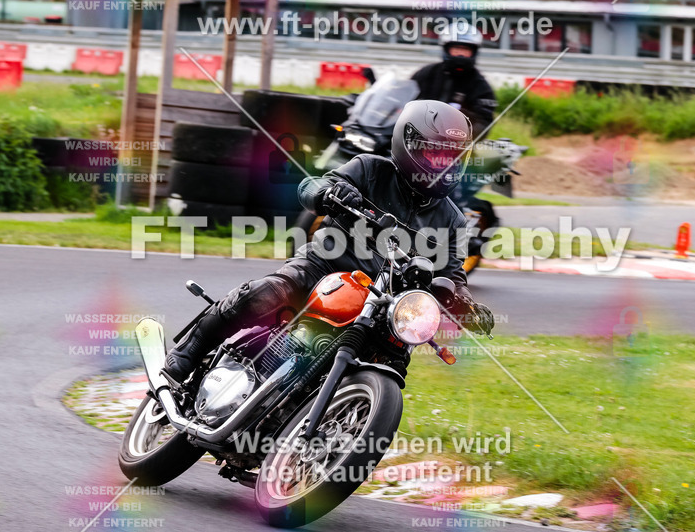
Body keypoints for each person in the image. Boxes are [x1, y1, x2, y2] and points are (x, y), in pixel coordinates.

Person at [163, 99, 495, 382]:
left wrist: (466, 305)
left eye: (452, 157)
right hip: (323, 268)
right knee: (265, 295)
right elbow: (310, 187)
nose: (444, 165)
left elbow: (453, 276)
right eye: (435, 154)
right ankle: (188, 353)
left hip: (382, 304)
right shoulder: (369, 169)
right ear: (408, 143)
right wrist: (329, 192)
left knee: (394, 361)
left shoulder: (453, 220)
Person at [413, 21, 499, 221]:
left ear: (474, 52)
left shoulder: (480, 86)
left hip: (456, 154)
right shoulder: (427, 75)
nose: (460, 54)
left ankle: (451, 234)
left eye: (465, 50)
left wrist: (459, 140)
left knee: (447, 193)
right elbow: (403, 100)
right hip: (416, 146)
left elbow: (483, 122)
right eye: (456, 49)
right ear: (446, 49)